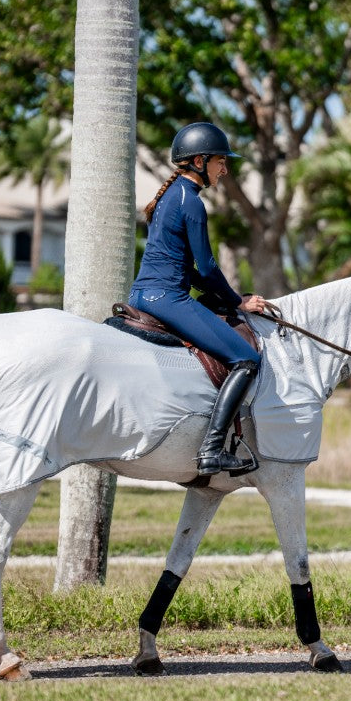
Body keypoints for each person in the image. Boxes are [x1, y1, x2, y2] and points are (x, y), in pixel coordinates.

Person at [129, 122, 267, 477]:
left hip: (143, 292)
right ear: (200, 161)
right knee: (246, 358)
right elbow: (205, 267)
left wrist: (216, 296)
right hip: (167, 298)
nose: (225, 169)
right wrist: (238, 302)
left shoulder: (170, 194)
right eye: (221, 161)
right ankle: (211, 450)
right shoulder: (190, 201)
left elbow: (178, 263)